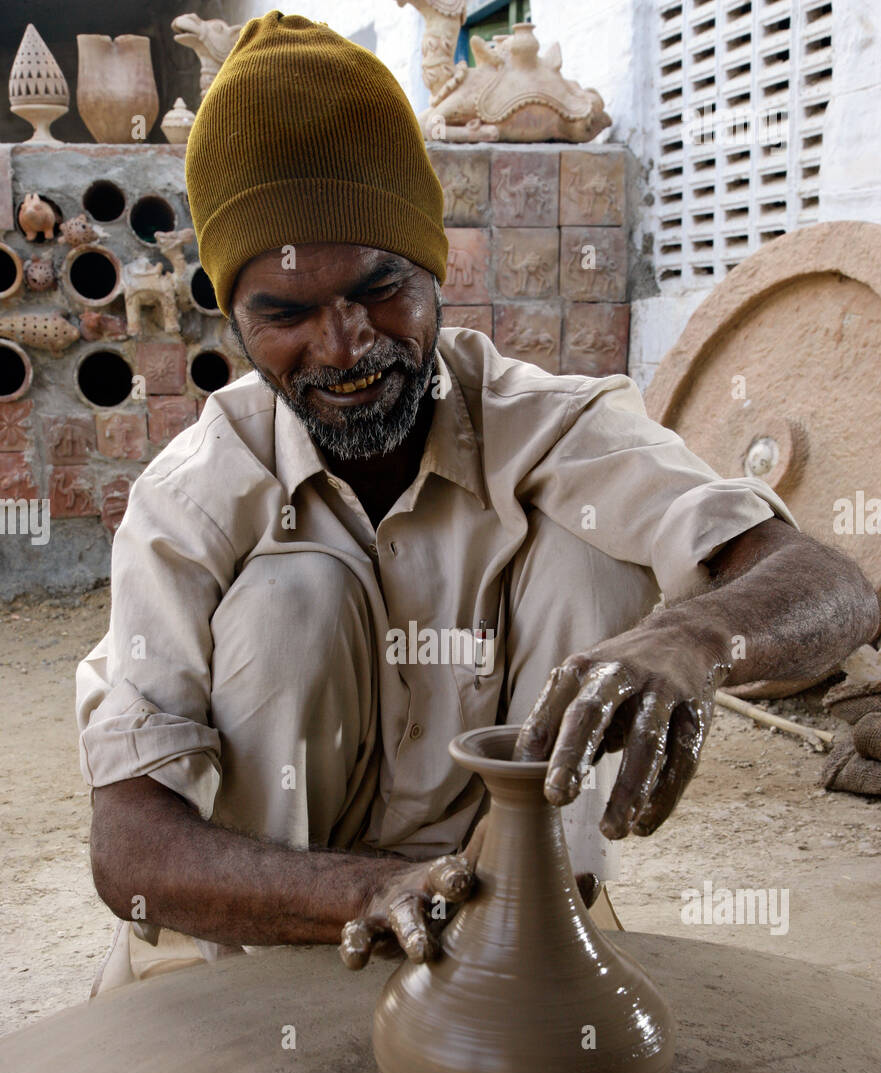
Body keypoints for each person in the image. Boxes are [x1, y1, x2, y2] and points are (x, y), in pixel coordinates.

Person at [75, 12, 879, 993]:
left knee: (591, 559)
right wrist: (365, 891)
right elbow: (130, 847)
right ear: (234, 317)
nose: (343, 346)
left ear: (435, 267)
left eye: (379, 289)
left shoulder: (544, 425)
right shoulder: (197, 495)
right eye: (284, 313)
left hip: (506, 952)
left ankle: (534, 933)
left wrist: (696, 638)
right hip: (255, 966)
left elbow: (830, 586)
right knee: (294, 600)